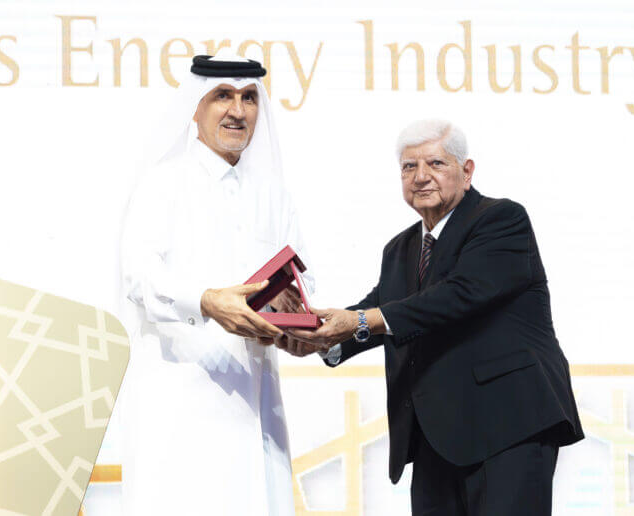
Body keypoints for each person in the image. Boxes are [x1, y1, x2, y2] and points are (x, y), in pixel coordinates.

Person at [285, 119, 584, 515]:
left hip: (509, 426)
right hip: (435, 439)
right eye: (409, 167)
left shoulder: (501, 220)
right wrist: (317, 335)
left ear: (467, 171)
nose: (421, 177)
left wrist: (360, 321)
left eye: (436, 164)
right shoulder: (400, 248)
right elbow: (380, 308)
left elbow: (457, 295)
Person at [117, 51, 310, 516]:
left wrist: (293, 318)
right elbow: (138, 275)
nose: (238, 111)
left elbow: (301, 280)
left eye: (249, 98)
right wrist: (206, 302)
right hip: (181, 398)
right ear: (195, 107)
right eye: (223, 95)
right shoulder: (163, 183)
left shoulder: (274, 195)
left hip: (258, 400)